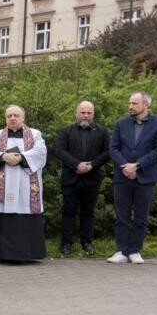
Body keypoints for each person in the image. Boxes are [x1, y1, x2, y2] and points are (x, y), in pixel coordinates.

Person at [0, 106, 47, 262]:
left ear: (23, 118)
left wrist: (21, 158)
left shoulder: (35, 134)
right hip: (1, 184)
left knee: (23, 214)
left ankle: (27, 253)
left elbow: (41, 152)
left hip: (25, 186)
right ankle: (1, 253)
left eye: (16, 115)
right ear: (5, 118)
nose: (12, 118)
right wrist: (3, 157)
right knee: (1, 216)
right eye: (9, 115)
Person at [108, 91, 157, 264]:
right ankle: (121, 250)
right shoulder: (121, 123)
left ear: (145, 105)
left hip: (146, 177)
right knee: (122, 216)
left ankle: (135, 250)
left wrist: (138, 165)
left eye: (134, 103)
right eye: (130, 103)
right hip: (122, 175)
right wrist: (125, 166)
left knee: (141, 216)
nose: (130, 106)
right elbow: (113, 148)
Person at [53, 101, 109, 255]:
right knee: (68, 211)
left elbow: (107, 152)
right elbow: (59, 150)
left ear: (93, 114)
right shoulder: (66, 131)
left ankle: (87, 242)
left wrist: (92, 165)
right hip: (71, 177)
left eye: (89, 112)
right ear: (76, 113)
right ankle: (66, 243)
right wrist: (76, 165)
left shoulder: (102, 132)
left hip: (92, 178)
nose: (85, 115)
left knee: (88, 212)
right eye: (82, 112)